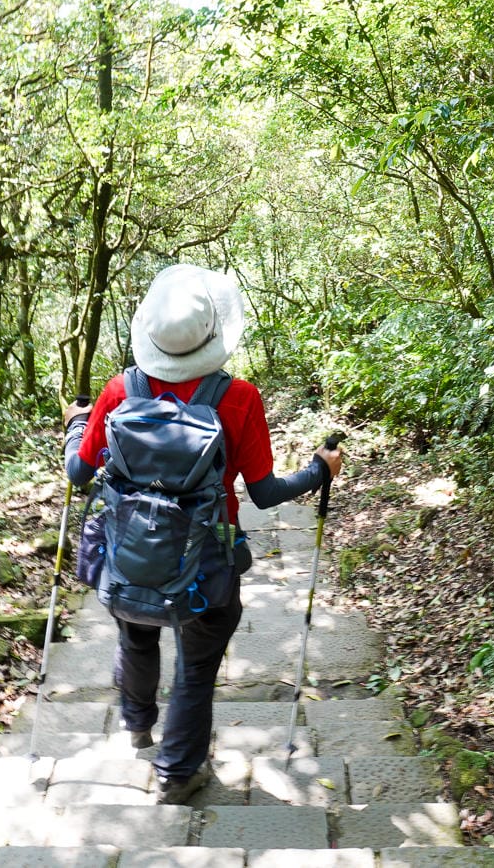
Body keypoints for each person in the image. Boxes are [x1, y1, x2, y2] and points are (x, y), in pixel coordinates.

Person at [62, 263, 342, 804]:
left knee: (136, 629)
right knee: (197, 661)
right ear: (213, 336)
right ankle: (177, 772)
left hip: (127, 552)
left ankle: (137, 724)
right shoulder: (238, 398)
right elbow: (263, 492)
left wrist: (77, 425)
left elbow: (78, 472)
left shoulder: (120, 389)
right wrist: (319, 470)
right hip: (207, 558)